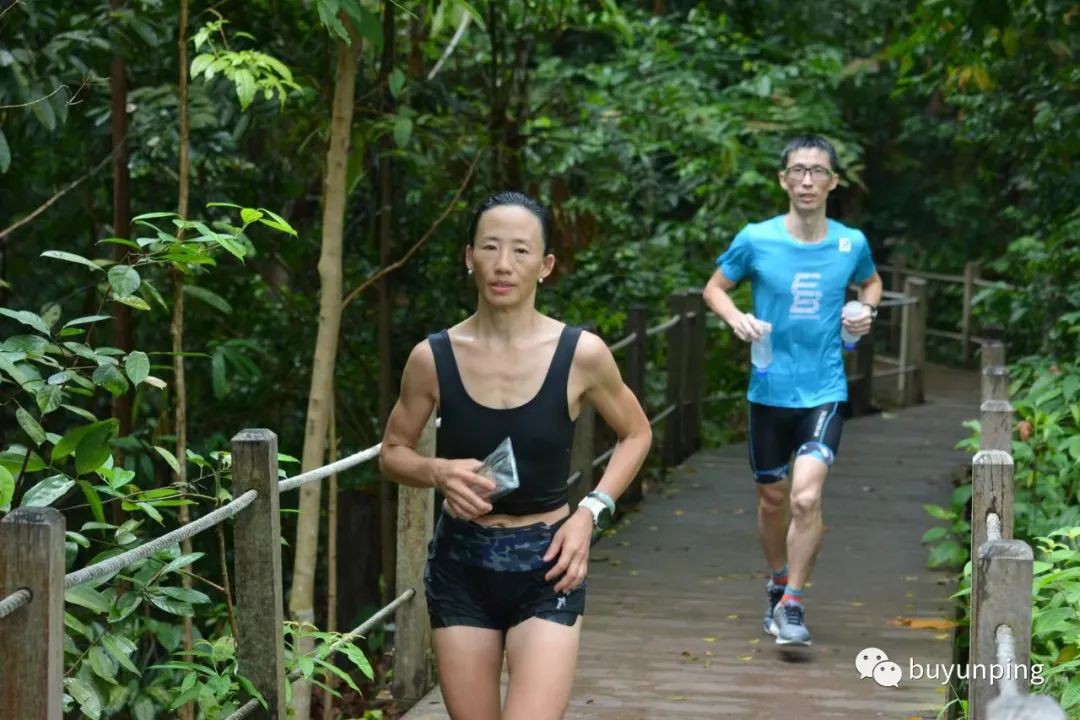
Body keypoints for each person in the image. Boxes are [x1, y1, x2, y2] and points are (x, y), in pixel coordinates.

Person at [379, 191, 652, 720]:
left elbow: (637, 434)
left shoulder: (582, 354)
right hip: (460, 566)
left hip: (548, 565)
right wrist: (435, 471)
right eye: (490, 247)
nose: (503, 265)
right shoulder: (432, 358)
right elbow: (393, 453)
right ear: (469, 257)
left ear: (545, 265)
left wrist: (590, 512)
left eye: (521, 251)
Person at [703, 135, 883, 646]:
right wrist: (737, 318)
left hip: (825, 389)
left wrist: (864, 312)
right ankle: (777, 580)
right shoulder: (756, 239)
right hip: (768, 391)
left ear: (833, 182)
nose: (807, 180)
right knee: (771, 498)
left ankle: (794, 604)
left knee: (806, 497)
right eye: (798, 171)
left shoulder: (851, 243)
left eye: (818, 171)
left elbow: (870, 284)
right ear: (784, 180)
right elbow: (714, 288)